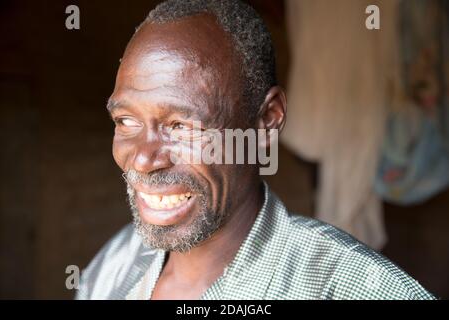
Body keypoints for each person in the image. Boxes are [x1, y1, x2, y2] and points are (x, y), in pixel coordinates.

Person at [76, 0, 435, 300]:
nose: (141, 158)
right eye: (126, 122)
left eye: (181, 126)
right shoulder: (115, 265)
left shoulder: (353, 288)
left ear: (267, 120)